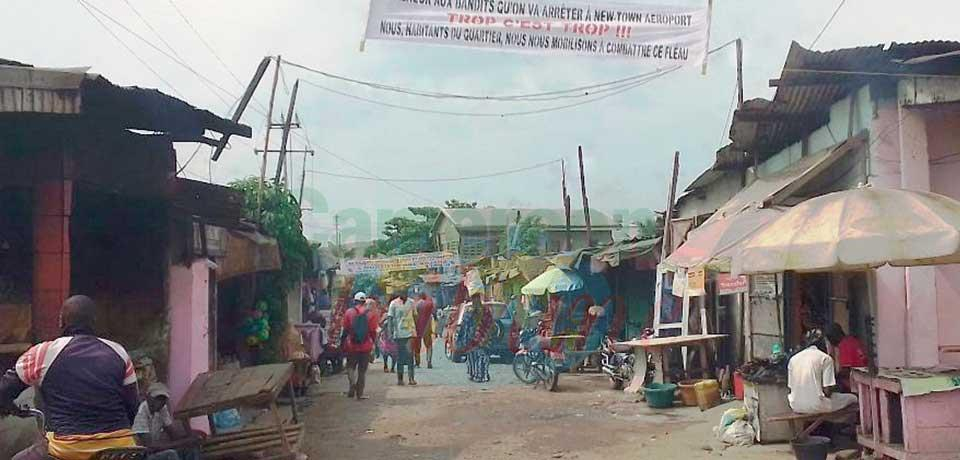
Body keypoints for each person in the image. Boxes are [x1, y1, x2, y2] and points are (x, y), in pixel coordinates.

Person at [0, 295, 140, 460]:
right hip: (120, 450)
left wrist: (11, 408)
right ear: (94, 322)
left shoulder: (43, 353)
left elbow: (4, 391)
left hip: (67, 449)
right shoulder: (119, 352)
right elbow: (132, 405)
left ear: (61, 321)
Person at [787, 329, 859, 414]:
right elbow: (827, 391)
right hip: (819, 405)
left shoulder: (793, 359)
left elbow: (791, 388)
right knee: (853, 398)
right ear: (824, 344)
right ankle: (851, 423)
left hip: (795, 406)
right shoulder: (825, 358)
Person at [132, 383, 201, 460]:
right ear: (148, 397)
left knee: (191, 448)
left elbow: (174, 436)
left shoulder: (162, 409)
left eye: (163, 399)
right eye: (157, 398)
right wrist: (185, 442)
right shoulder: (141, 412)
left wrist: (190, 438)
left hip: (155, 453)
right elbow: (151, 448)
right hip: (142, 456)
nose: (160, 402)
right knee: (170, 454)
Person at [342, 292, 378, 399]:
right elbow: (373, 332)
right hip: (365, 346)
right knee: (362, 371)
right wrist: (373, 345)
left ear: (354, 301)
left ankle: (352, 384)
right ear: (364, 301)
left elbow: (345, 330)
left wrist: (342, 343)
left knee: (350, 367)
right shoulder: (371, 314)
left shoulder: (349, 312)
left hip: (351, 345)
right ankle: (359, 394)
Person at [824, 323, 868, 392]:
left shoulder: (844, 345)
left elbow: (846, 370)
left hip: (855, 382)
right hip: (863, 378)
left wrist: (833, 377)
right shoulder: (852, 340)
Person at [387, 291, 418, 386]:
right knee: (400, 357)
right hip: (398, 333)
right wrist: (390, 332)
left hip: (410, 333)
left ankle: (411, 378)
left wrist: (414, 327)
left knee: (409, 355)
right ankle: (400, 379)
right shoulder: (394, 303)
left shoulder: (411, 302)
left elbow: (416, 315)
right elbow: (390, 319)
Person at [413, 293, 436, 369]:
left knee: (417, 346)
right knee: (429, 345)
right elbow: (434, 312)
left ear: (419, 297)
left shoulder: (417, 304)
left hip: (417, 326)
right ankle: (429, 361)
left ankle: (417, 363)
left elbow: (414, 315)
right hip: (427, 325)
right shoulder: (429, 303)